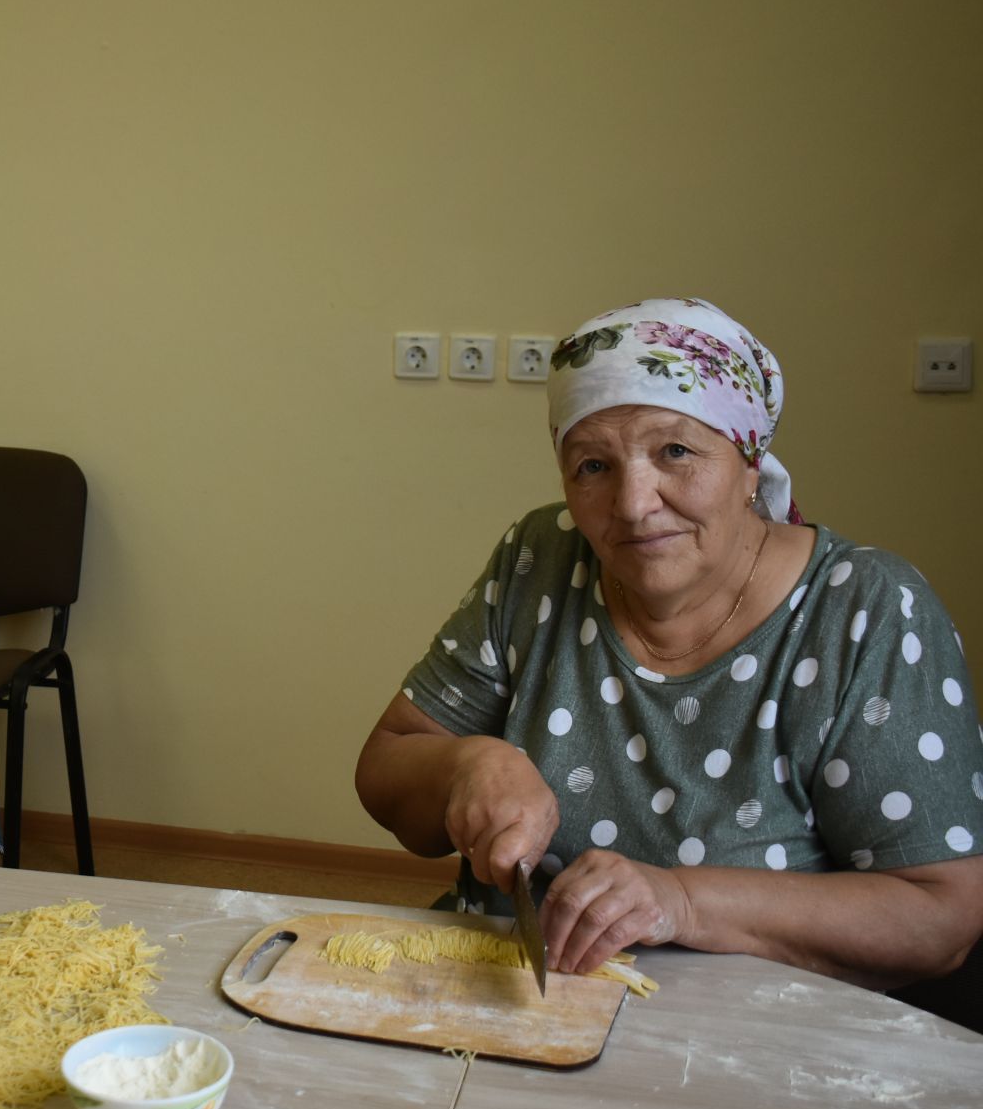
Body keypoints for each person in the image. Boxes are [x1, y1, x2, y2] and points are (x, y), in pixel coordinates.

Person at [355, 297, 983, 990]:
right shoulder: (542, 557)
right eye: (592, 466)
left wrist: (680, 902)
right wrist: (464, 767)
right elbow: (387, 768)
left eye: (676, 452)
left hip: (744, 1039)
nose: (632, 503)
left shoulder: (866, 609)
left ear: (750, 462)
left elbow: (941, 916)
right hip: (513, 997)